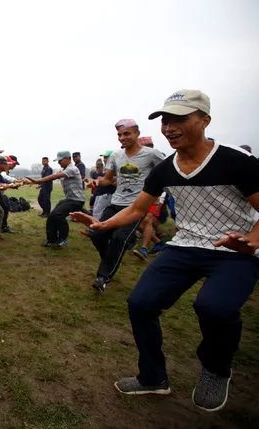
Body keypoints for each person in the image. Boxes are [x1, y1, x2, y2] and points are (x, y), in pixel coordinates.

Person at [73, 89, 259, 412]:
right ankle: (153, 378)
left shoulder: (236, 162)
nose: (170, 128)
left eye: (180, 119)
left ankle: (216, 369)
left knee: (213, 307)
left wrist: (254, 237)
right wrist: (103, 225)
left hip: (234, 250)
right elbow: (136, 210)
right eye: (165, 121)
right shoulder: (166, 170)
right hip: (185, 246)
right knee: (140, 303)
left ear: (205, 120)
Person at [82, 119, 165, 293]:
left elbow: (167, 173)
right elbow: (108, 179)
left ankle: (103, 278)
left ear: (137, 134)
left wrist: (157, 195)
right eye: (119, 135)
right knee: (97, 235)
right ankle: (110, 260)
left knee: (120, 238)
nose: (122, 138)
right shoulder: (116, 156)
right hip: (115, 203)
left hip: (135, 208)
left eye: (126, 133)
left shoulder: (151, 154)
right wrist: (95, 181)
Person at [28, 151, 85, 248]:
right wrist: (28, 182)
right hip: (70, 199)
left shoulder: (72, 169)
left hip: (76, 200)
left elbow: (55, 176)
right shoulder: (65, 169)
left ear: (67, 159)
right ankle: (51, 241)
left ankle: (62, 240)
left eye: (60, 160)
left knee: (57, 215)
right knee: (51, 216)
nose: (58, 163)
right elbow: (53, 176)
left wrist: (38, 180)